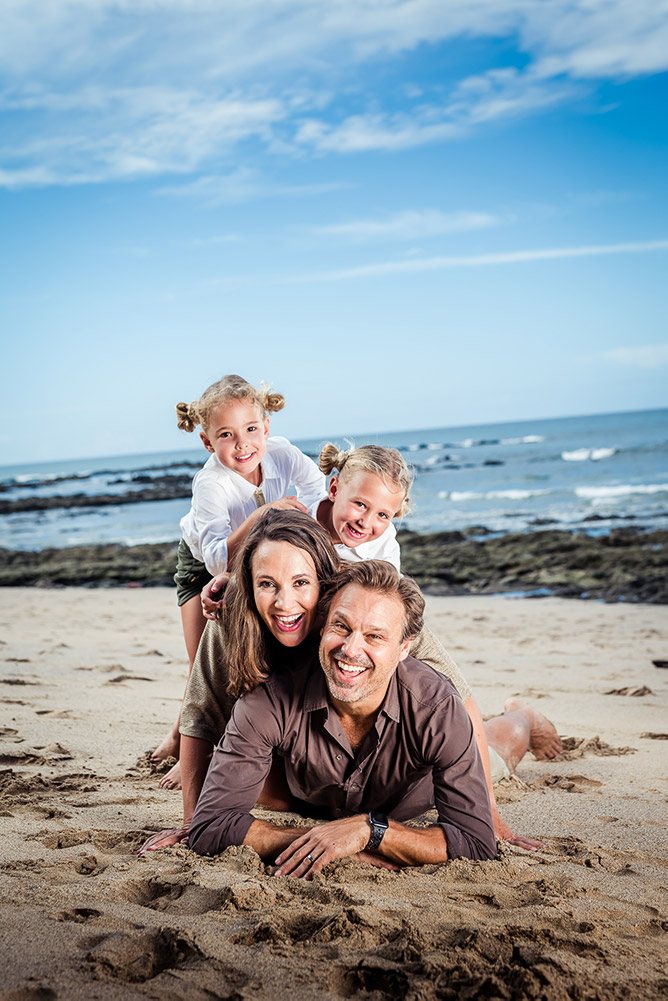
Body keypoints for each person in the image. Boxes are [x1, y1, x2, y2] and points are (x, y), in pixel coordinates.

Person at [139, 510, 561, 856]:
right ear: (250, 587)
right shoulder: (233, 623)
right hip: (308, 761)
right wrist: (193, 822)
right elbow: (202, 714)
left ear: (326, 585)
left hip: (403, 772)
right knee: (246, 783)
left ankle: (523, 717)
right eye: (267, 584)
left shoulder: (372, 611)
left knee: (487, 743)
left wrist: (488, 813)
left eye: (301, 583)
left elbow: (459, 701)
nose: (285, 603)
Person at [188, 560, 498, 870]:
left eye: (374, 636)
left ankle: (521, 721)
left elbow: (475, 843)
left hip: (416, 798)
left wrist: (371, 831)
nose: (350, 650)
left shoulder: (438, 709)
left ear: (404, 647)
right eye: (341, 626)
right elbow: (209, 827)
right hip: (314, 800)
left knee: (501, 748)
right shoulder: (269, 699)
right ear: (323, 627)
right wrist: (329, 842)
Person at [152, 374, 325, 786]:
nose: (243, 443)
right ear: (208, 443)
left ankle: (181, 731)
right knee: (202, 665)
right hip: (203, 562)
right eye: (227, 435)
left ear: (266, 427)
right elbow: (215, 558)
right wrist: (262, 516)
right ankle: (188, 743)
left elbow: (317, 494)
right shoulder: (210, 483)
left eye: (251, 429)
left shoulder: (282, 452)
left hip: (259, 562)